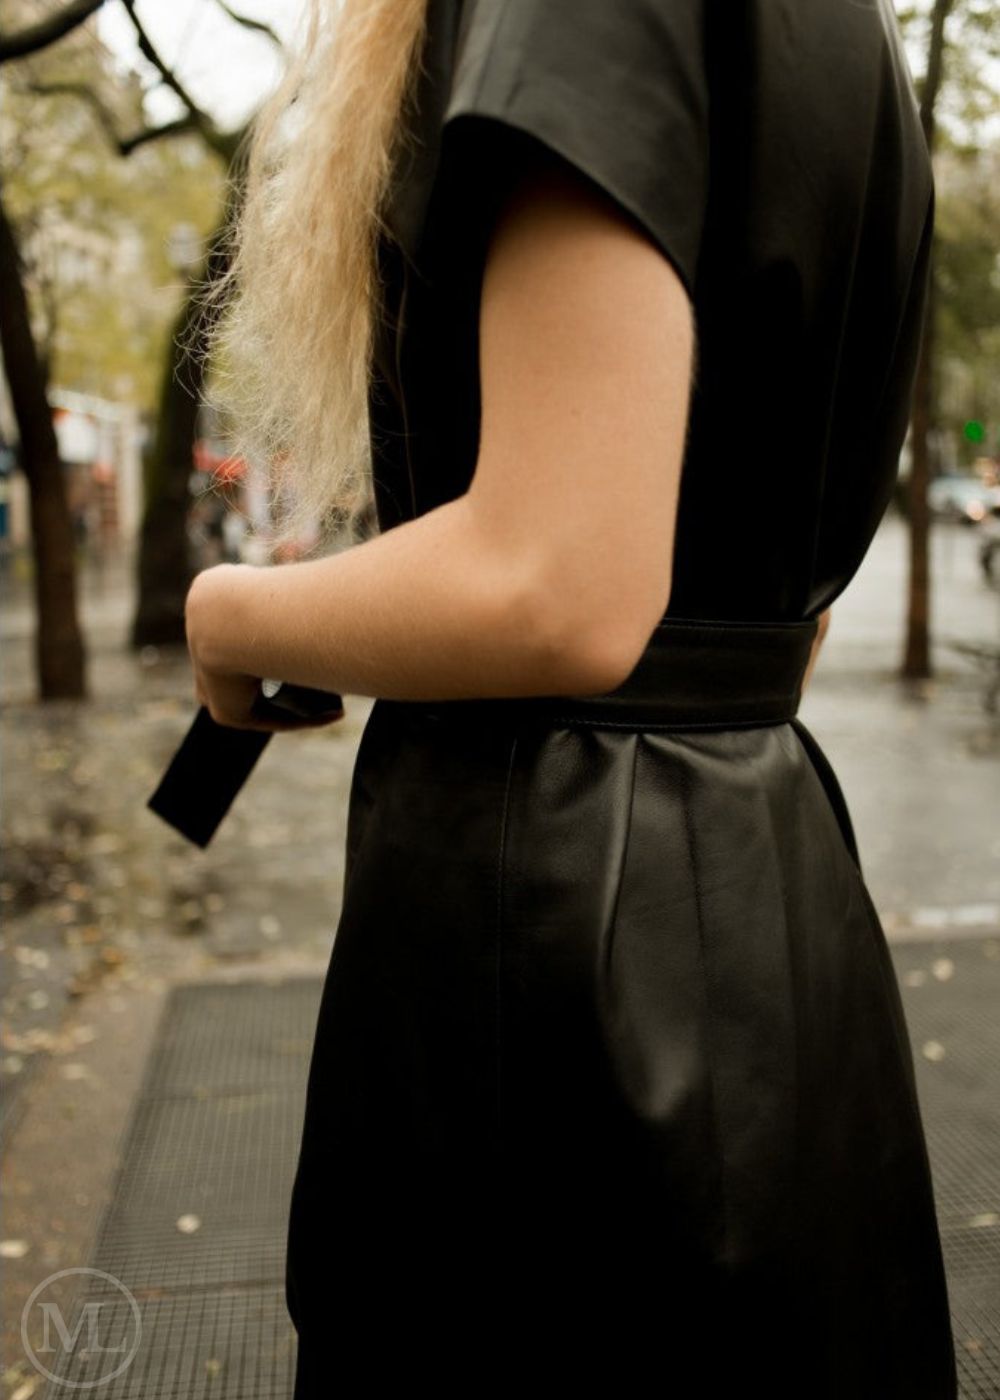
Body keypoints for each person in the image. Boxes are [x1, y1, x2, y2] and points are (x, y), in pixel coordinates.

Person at [184, 0, 957, 1394]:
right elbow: (779, 599)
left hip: (544, 930)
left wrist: (230, 609)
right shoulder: (850, 37)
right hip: (774, 878)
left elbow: (558, 585)